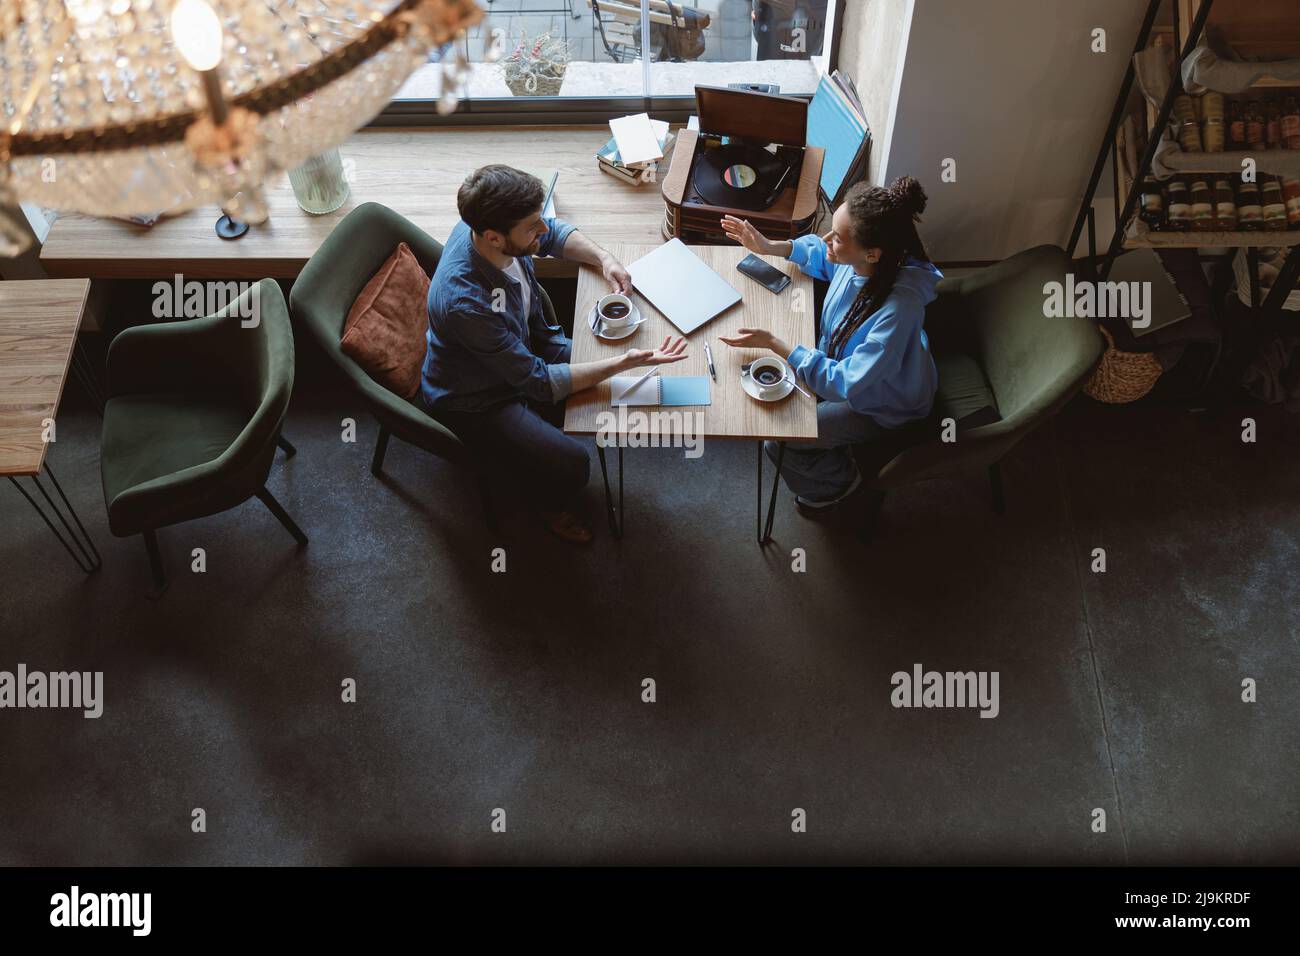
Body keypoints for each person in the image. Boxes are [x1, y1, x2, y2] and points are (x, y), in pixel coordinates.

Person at [421, 165, 688, 544]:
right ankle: (550, 506)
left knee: (616, 363)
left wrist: (604, 258)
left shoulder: (489, 230)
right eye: (533, 227)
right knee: (572, 463)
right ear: (494, 238)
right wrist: (622, 364)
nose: (543, 229)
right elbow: (538, 383)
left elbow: (555, 233)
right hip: (478, 398)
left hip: (524, 345)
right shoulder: (466, 304)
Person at [719, 176, 941, 515]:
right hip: (847, 367)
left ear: (872, 252)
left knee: (776, 442)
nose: (826, 239)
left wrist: (776, 343)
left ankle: (839, 485)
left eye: (837, 237)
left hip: (880, 405)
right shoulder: (861, 262)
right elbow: (822, 255)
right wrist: (772, 247)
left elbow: (845, 383)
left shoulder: (897, 313)